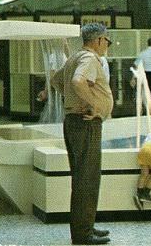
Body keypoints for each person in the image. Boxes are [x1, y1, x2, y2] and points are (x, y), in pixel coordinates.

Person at [49, 23, 114, 245]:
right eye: (107, 40)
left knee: (83, 178)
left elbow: (56, 80)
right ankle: (83, 234)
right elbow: (77, 81)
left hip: (75, 122)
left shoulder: (75, 57)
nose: (107, 45)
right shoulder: (89, 59)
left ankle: (85, 227)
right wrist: (94, 104)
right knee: (87, 179)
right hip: (85, 124)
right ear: (98, 40)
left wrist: (72, 101)